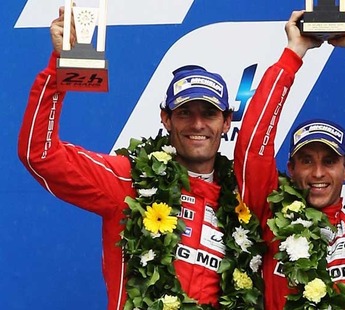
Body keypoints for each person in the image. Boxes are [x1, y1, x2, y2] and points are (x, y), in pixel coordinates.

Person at [17, 7, 257, 310]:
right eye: (185, 112)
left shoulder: (245, 204)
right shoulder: (129, 182)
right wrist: (58, 70)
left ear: (226, 122)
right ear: (165, 119)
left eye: (209, 113)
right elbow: (40, 153)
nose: (197, 124)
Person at [234, 10, 345, 309]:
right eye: (306, 160)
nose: (317, 172)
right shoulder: (271, 219)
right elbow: (252, 147)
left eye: (329, 161)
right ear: (290, 169)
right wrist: (293, 54)